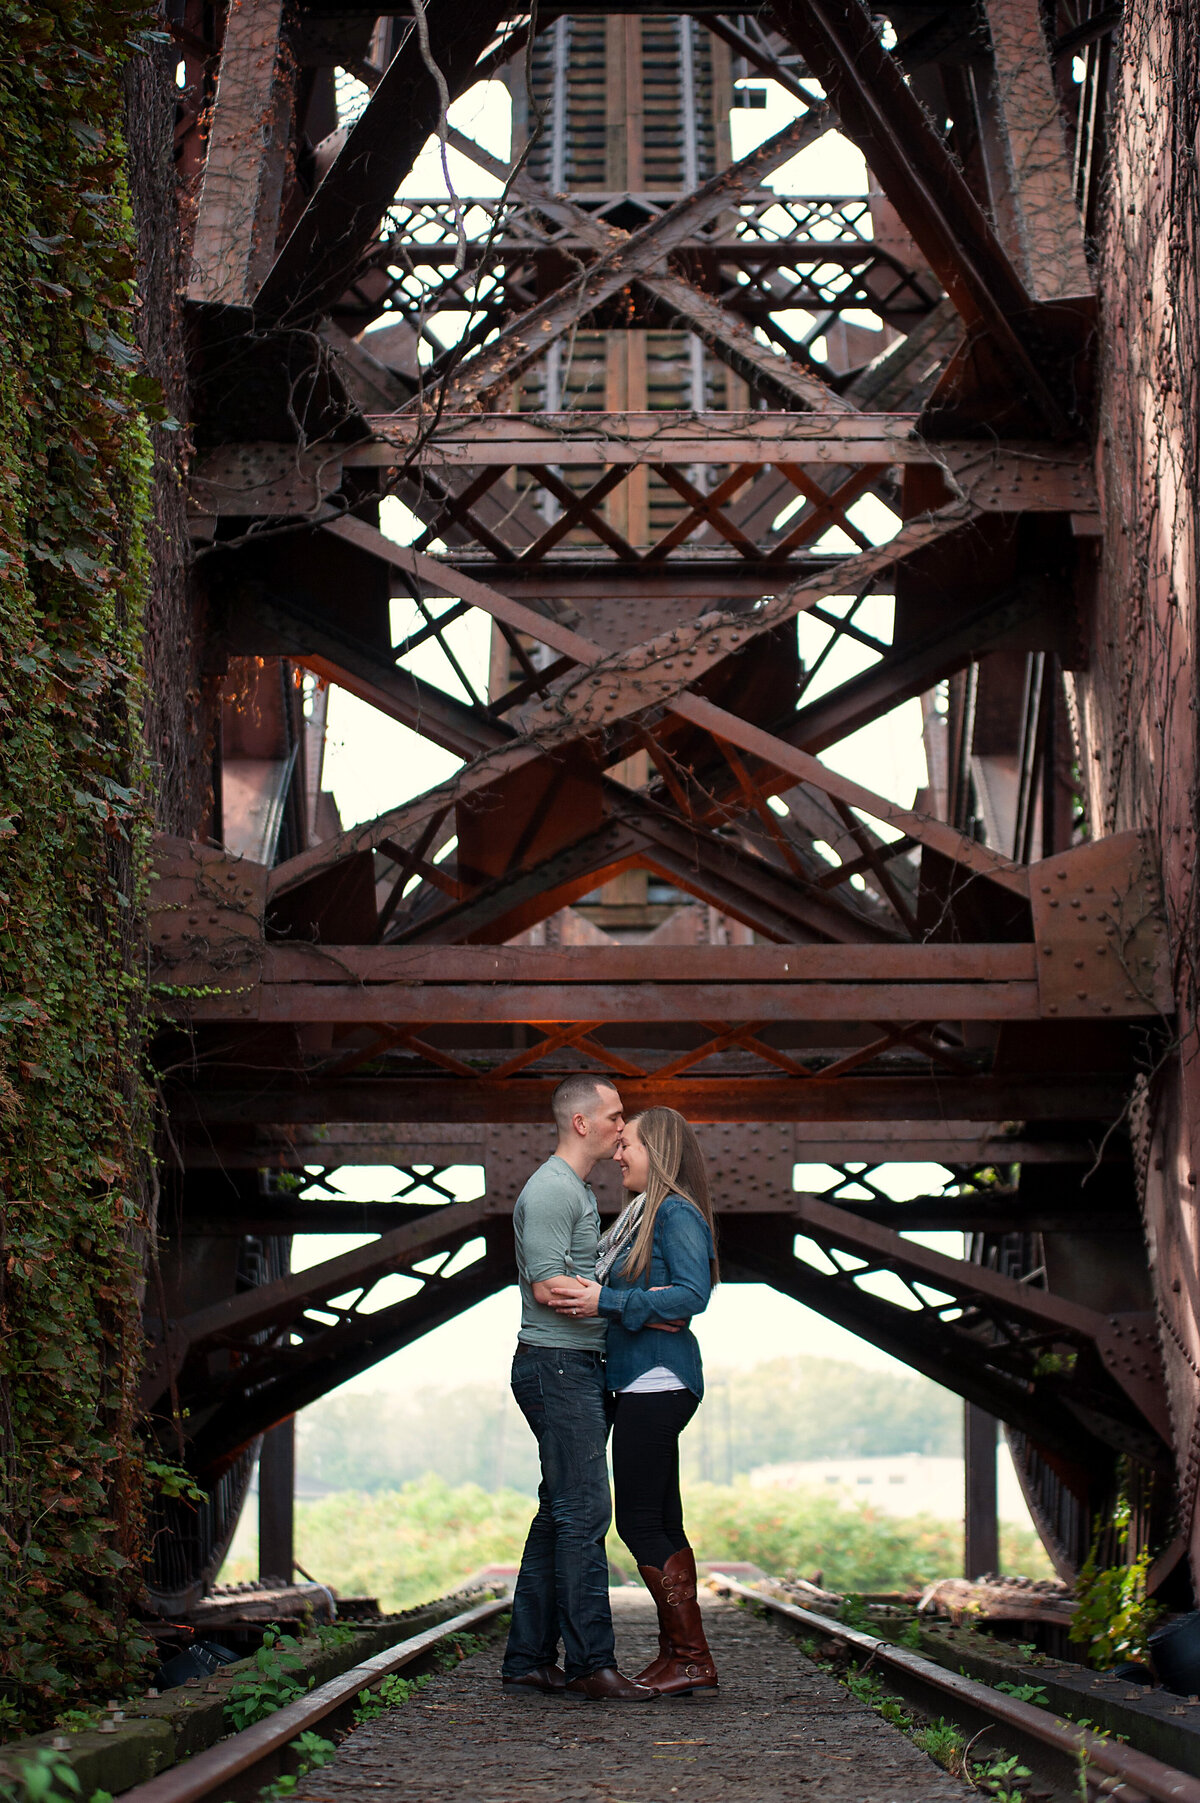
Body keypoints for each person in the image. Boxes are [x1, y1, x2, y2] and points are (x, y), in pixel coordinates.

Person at [546, 1107, 719, 1697]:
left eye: (630, 1146)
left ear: (659, 1152)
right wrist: (641, 1305)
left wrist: (617, 1304)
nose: (619, 1156)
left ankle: (691, 1657)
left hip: (658, 1383)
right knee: (661, 1521)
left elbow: (693, 1294)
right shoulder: (642, 1216)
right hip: (642, 1380)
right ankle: (683, 1657)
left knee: (641, 1521)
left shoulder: (674, 1212)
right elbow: (659, 1297)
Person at [500, 1074, 659, 1702]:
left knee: (559, 1516)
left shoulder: (575, 1191)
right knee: (586, 1515)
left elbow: (574, 1287)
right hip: (556, 1367)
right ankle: (593, 1663)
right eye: (616, 1116)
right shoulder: (550, 1193)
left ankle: (528, 1662)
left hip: (572, 1365)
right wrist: (615, 1302)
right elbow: (547, 1288)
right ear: (582, 1123)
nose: (624, 1126)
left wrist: (599, 1298)